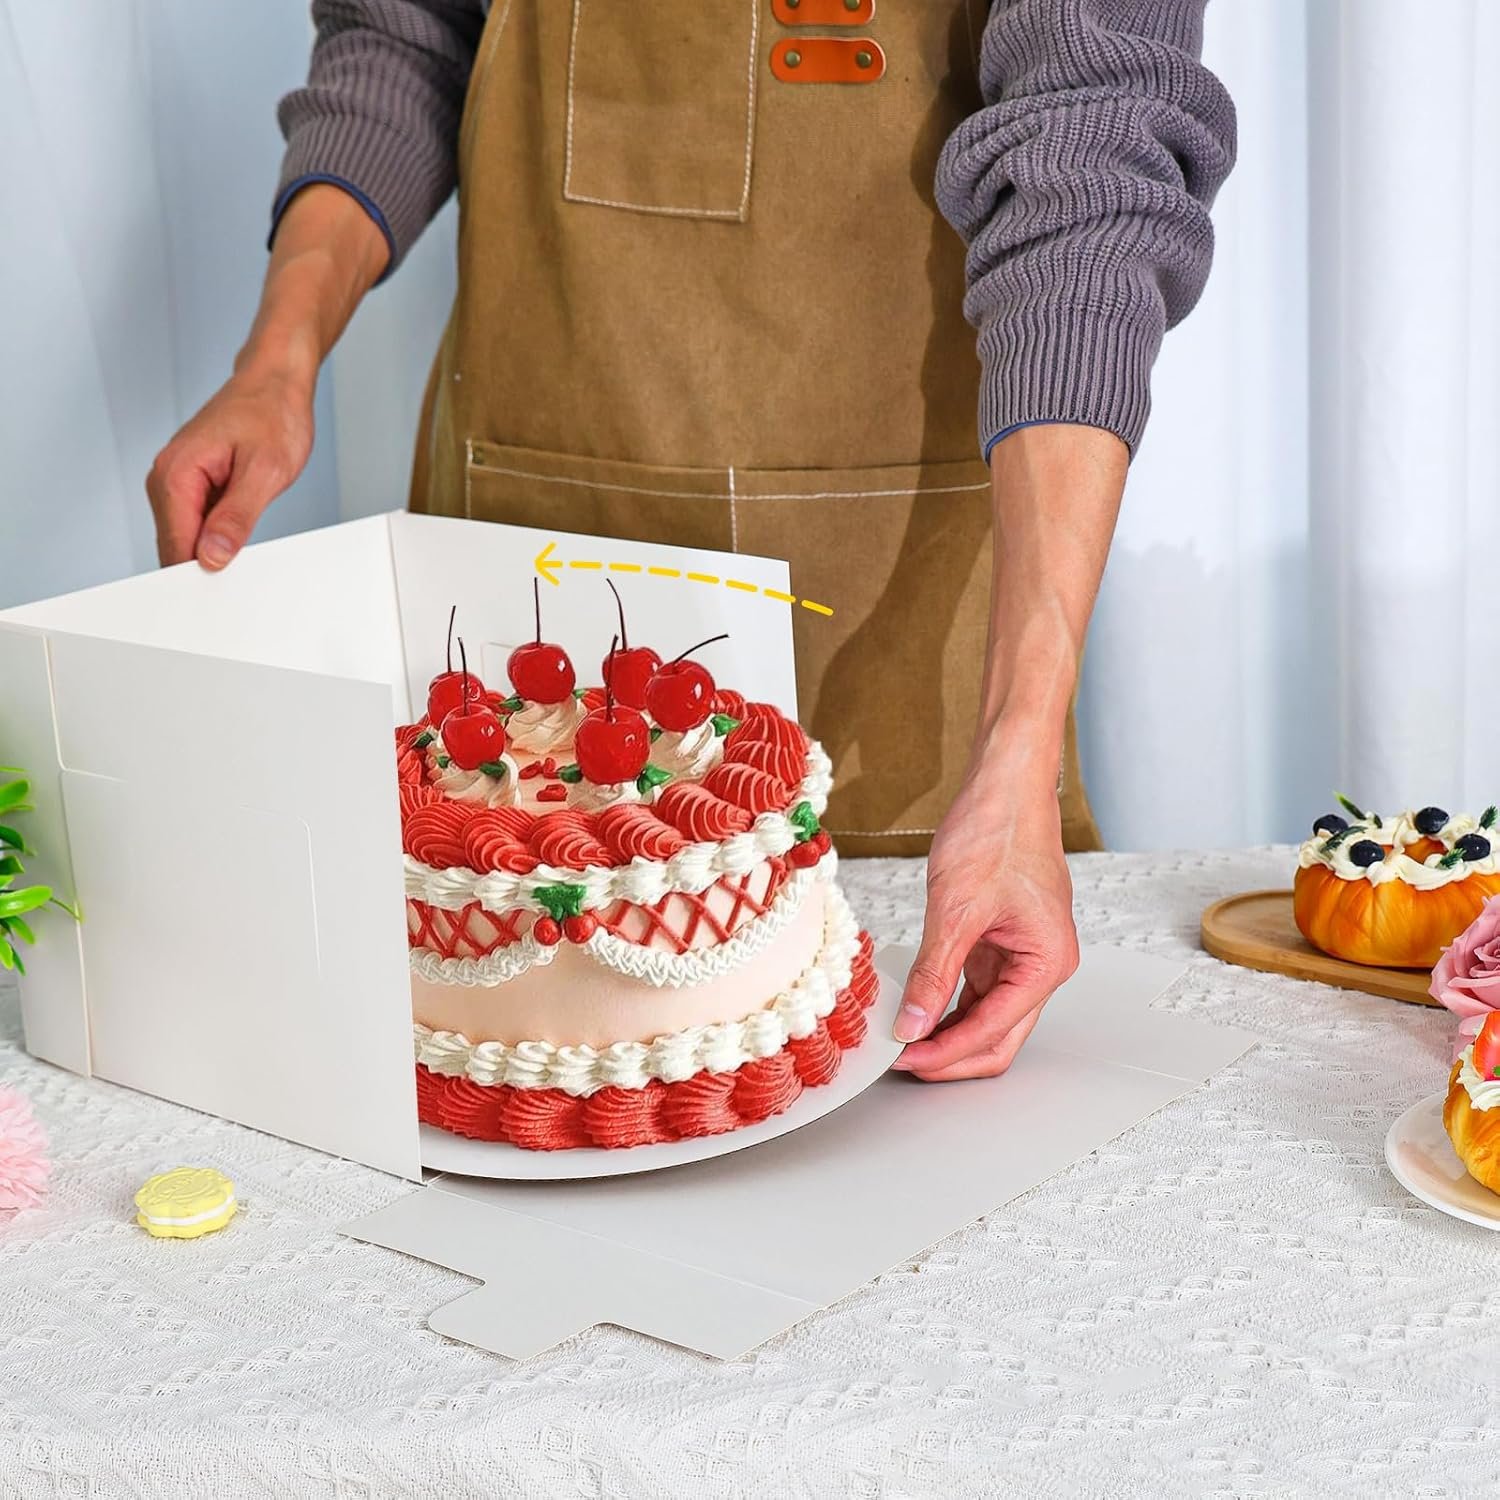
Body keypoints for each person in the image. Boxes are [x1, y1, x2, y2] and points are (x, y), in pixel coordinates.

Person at [146, 1, 1234, 1082]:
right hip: (530, 517)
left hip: (899, 598)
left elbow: (1092, 154)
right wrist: (277, 365)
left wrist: (1021, 742)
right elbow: (405, 33)